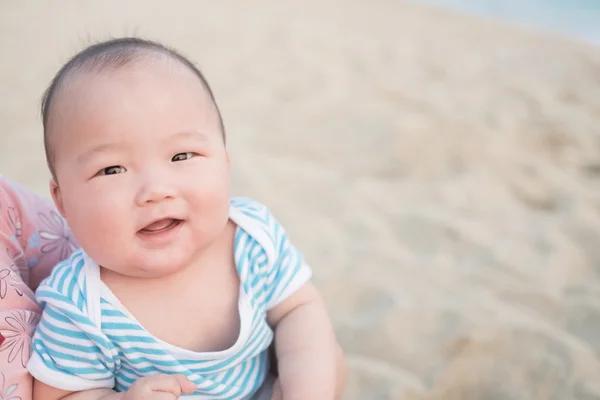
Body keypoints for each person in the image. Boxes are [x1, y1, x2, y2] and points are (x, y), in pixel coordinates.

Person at [24, 37, 345, 400]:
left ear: (224, 162)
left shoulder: (252, 238)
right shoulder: (81, 306)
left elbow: (298, 310)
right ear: (62, 200)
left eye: (181, 156)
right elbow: (59, 395)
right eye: (112, 169)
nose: (155, 190)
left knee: (328, 360)